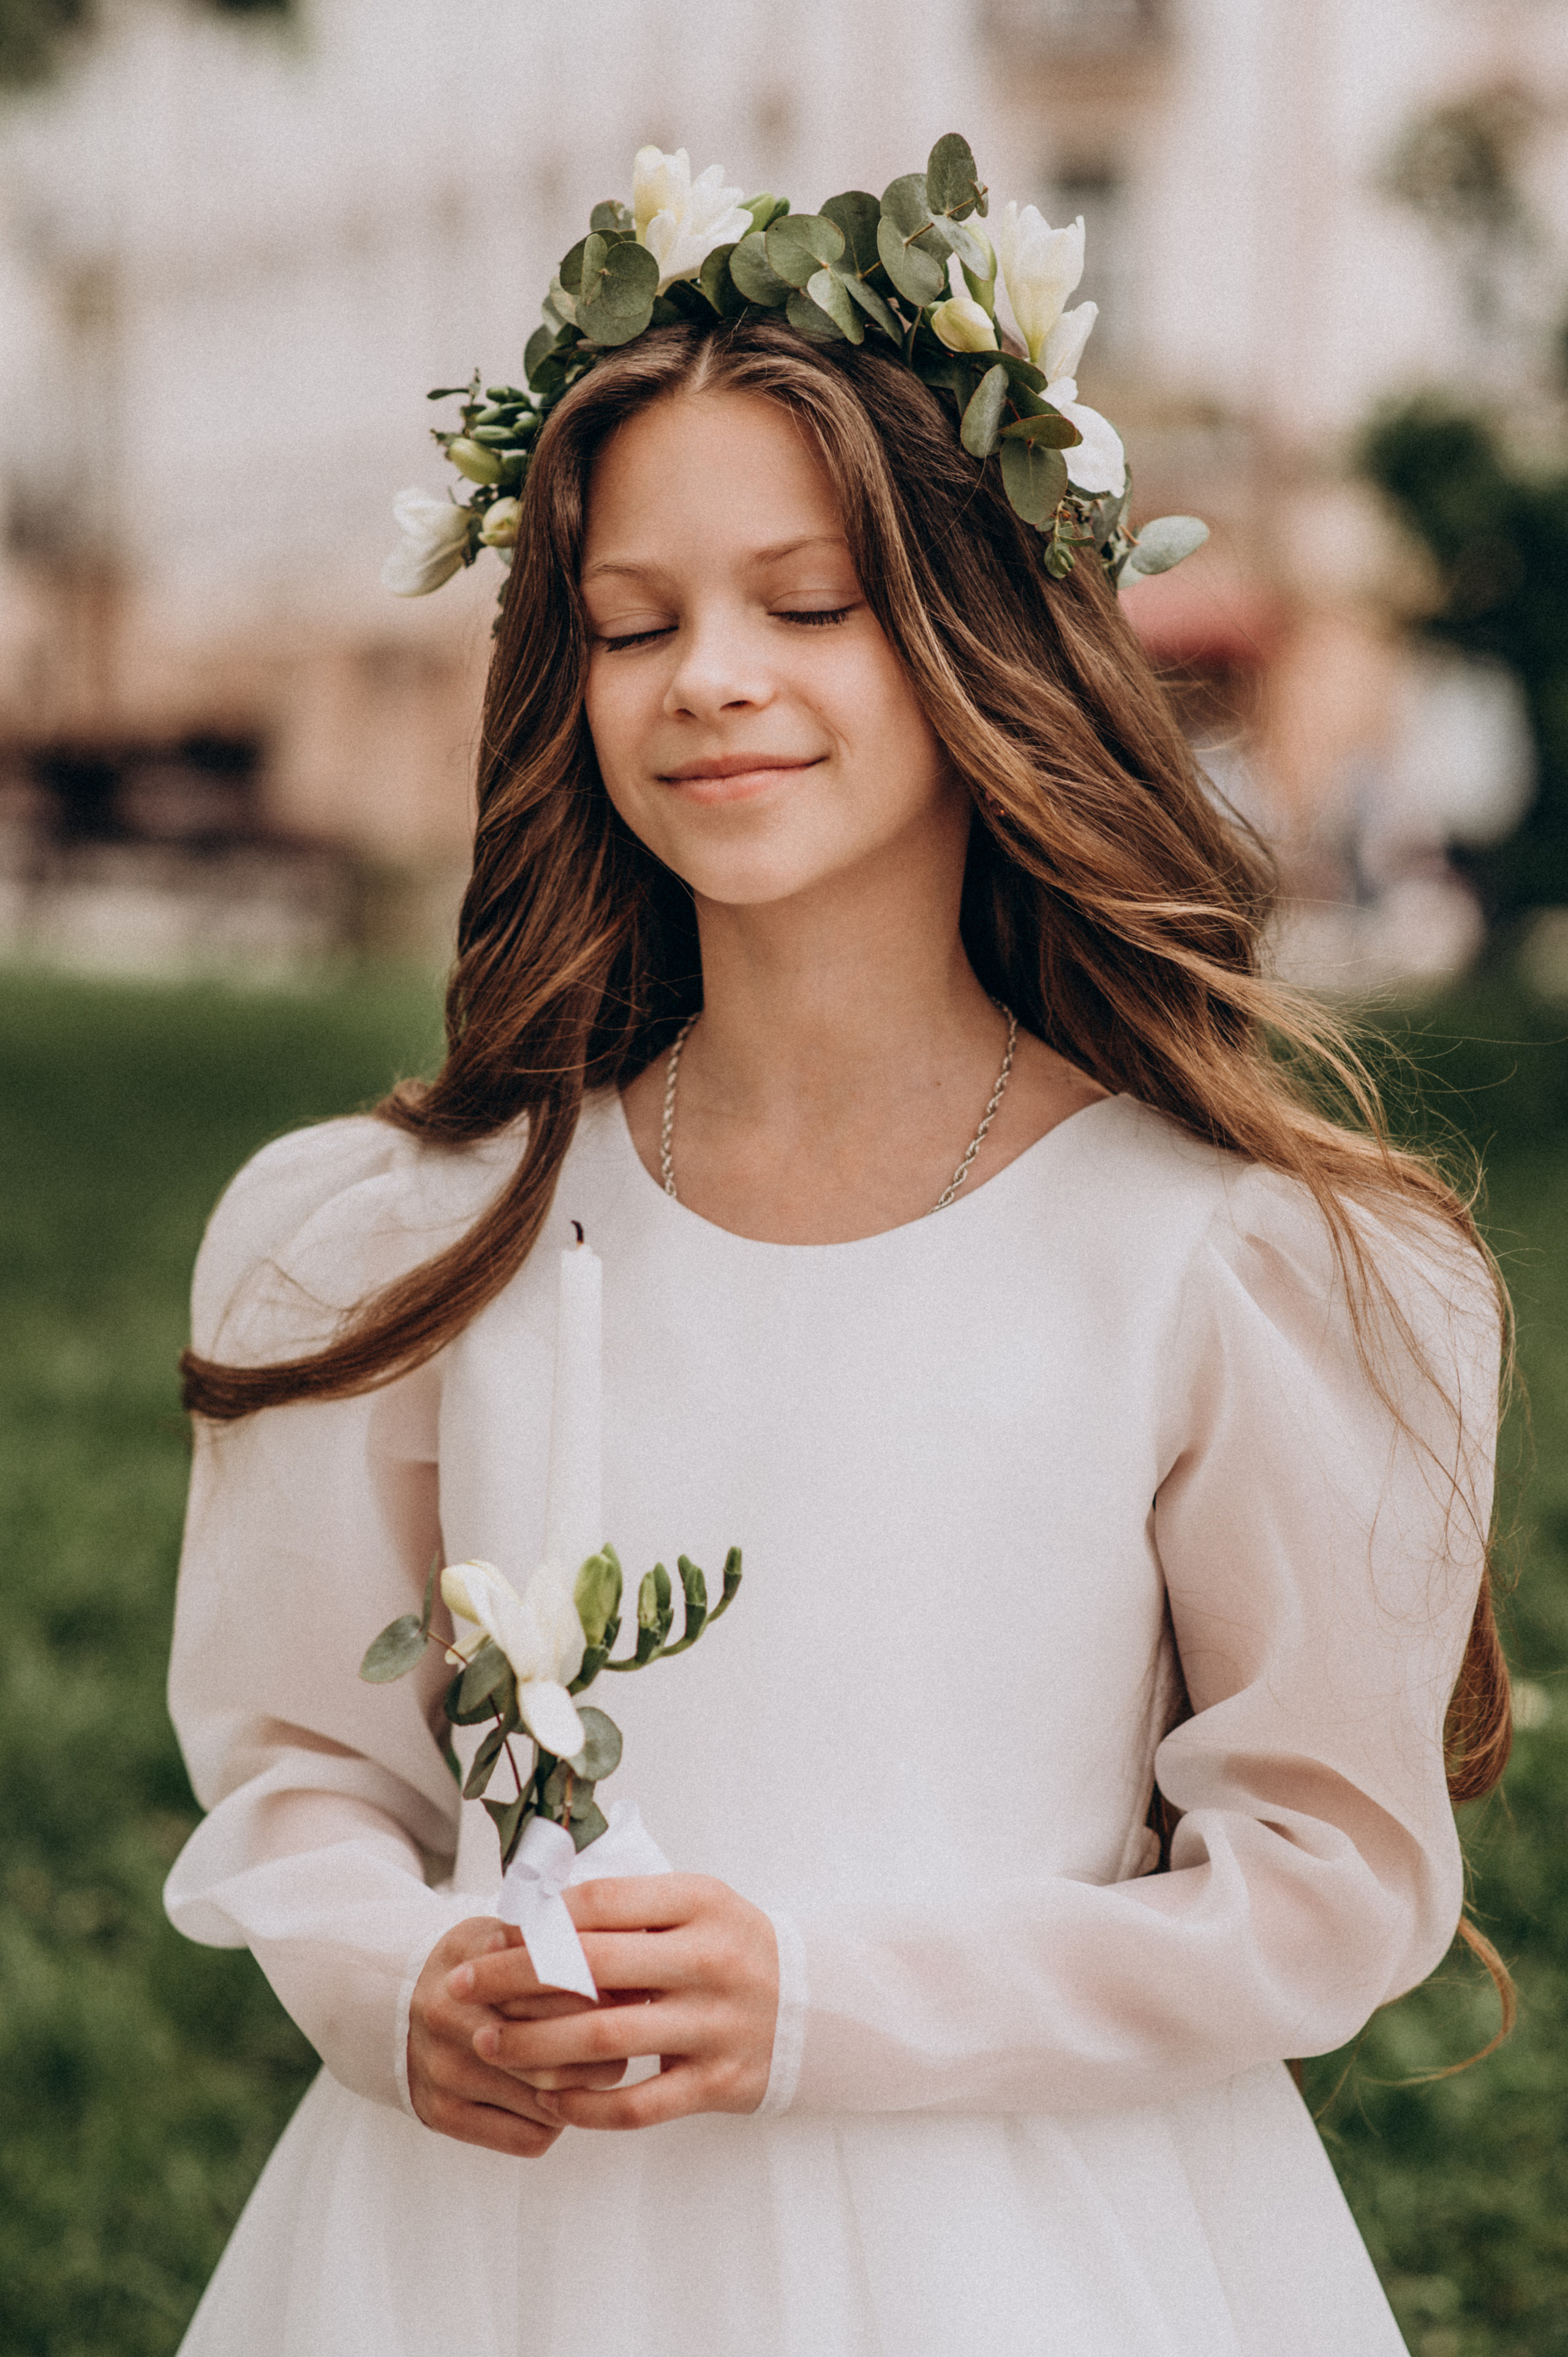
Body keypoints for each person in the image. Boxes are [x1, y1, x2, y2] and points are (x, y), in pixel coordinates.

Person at [164, 142, 1509, 2357]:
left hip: (1018, 2235)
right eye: (633, 619)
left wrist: (826, 1997)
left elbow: (1325, 1882)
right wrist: (398, 1980)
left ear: (979, 635)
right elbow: (307, 1764)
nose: (711, 677)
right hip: (495, 2251)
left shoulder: (1214, 1261)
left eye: (809, 605)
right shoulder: (423, 1236)